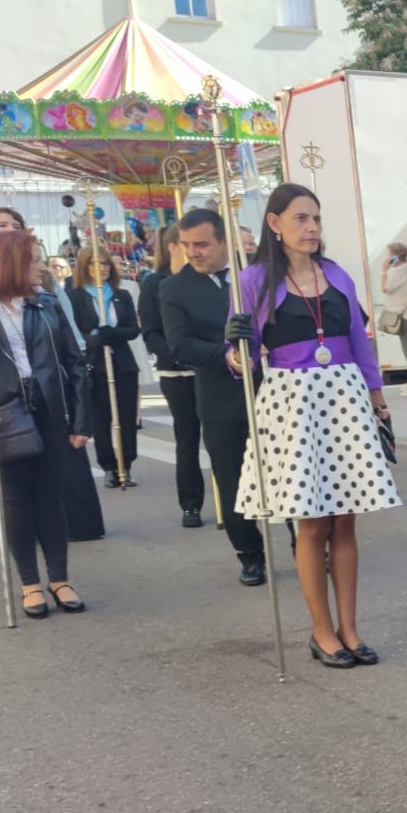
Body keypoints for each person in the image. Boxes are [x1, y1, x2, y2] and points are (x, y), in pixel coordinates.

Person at [229, 184, 400, 668]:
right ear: (274, 223)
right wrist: (236, 348)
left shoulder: (338, 274)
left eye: (316, 219)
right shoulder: (253, 280)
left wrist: (379, 403)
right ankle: (321, 632)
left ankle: (349, 628)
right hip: (292, 401)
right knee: (311, 522)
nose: (311, 228)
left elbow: (361, 344)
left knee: (345, 519)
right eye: (301, 218)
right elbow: (240, 361)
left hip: (345, 396)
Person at [0, 230, 92, 617]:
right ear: (9, 264)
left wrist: (80, 420)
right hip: (3, 413)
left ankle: (59, 578)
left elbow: (74, 363)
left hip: (48, 409)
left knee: (50, 497)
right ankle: (29, 583)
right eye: (33, 260)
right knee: (15, 500)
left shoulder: (46, 305)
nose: (41, 266)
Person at [162, 208, 269, 586]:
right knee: (232, 479)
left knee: (286, 471)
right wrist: (224, 355)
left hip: (272, 391)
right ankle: (250, 554)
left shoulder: (256, 275)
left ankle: (301, 542)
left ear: (224, 241)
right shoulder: (174, 289)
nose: (194, 252)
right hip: (220, 398)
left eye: (203, 244)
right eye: (188, 245)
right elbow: (180, 344)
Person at [140, 225, 205, 527]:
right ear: (172, 247)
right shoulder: (155, 283)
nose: (194, 251)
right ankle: (191, 503)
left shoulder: (206, 278)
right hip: (176, 371)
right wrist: (176, 353)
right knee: (187, 436)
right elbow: (150, 331)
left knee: (223, 438)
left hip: (209, 369)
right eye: (186, 243)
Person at [69, 245, 141, 488]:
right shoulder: (77, 296)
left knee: (127, 417)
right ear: (85, 267)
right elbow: (73, 328)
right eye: (96, 264)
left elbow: (133, 328)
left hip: (122, 362)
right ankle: (108, 466)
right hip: (94, 364)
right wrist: (92, 338)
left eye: (106, 264)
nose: (102, 268)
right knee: (101, 419)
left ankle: (126, 464)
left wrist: (114, 333)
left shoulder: (122, 295)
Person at [378, 242, 407, 396]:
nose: (388, 258)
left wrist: (384, 271)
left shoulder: (400, 271)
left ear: (395, 256)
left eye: (390, 255)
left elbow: (386, 288)